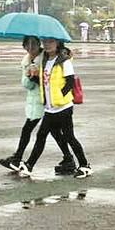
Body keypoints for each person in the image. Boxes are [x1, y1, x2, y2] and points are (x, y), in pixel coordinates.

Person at [18, 38, 92, 179]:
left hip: (63, 108)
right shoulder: (45, 61)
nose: (47, 44)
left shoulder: (64, 61)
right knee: (41, 137)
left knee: (70, 137)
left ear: (58, 44)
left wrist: (59, 97)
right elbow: (44, 83)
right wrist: (32, 77)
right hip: (49, 108)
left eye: (51, 42)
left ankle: (85, 166)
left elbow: (69, 82)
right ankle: (29, 166)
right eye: (45, 42)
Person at [0, 36, 74, 174]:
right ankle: (68, 159)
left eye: (33, 44)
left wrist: (34, 78)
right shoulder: (28, 60)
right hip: (37, 101)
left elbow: (48, 81)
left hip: (45, 101)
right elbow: (29, 84)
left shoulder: (43, 58)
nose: (30, 47)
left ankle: (18, 158)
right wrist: (30, 76)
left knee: (30, 129)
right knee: (55, 132)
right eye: (27, 44)